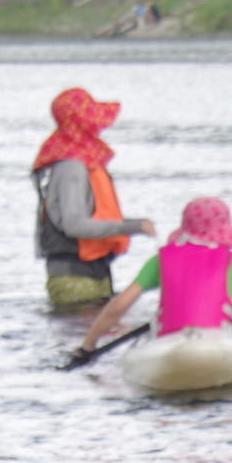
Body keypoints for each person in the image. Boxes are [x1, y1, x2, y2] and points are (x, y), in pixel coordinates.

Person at [77, 197, 232, 353]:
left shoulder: (161, 259)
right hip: (216, 343)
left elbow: (119, 305)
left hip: (170, 343)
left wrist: (89, 344)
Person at [33, 88, 158, 310]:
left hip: (93, 272)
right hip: (74, 278)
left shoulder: (79, 161)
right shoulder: (72, 167)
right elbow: (74, 225)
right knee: (84, 339)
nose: (100, 126)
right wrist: (133, 226)